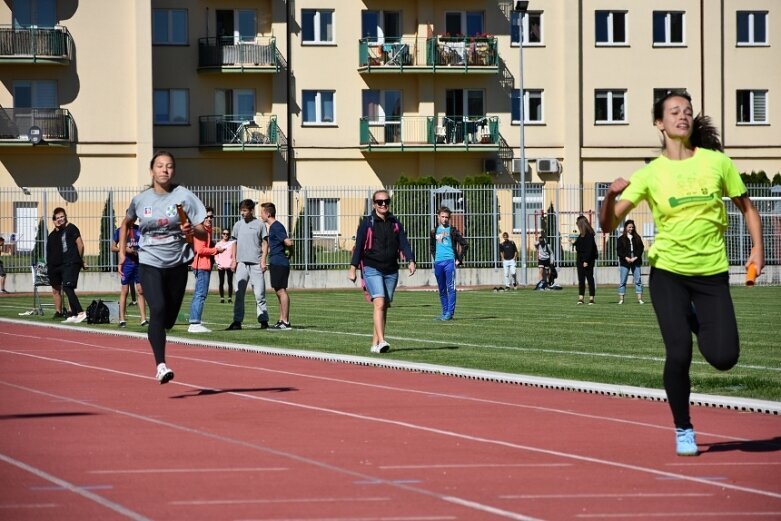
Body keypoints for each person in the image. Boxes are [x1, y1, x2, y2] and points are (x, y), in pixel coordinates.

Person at [599, 91, 764, 456]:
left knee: (724, 357)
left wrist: (758, 247)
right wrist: (609, 197)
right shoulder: (650, 173)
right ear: (659, 122)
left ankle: (693, 316)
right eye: (674, 112)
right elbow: (608, 222)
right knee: (679, 353)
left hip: (711, 274)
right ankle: (684, 428)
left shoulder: (717, 164)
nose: (682, 116)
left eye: (687, 111)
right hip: (669, 273)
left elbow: (749, 209)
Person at [118, 150, 207, 384]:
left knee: (167, 319)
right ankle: (160, 365)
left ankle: (162, 329)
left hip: (177, 264)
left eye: (168, 166)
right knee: (156, 309)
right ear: (152, 170)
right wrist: (121, 253)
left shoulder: (184, 196)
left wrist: (191, 230)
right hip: (149, 262)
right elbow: (125, 223)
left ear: (173, 170)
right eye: (159, 166)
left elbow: (202, 230)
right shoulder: (141, 200)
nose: (164, 170)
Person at [348, 190, 416, 353]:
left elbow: (404, 242)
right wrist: (353, 268)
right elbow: (358, 247)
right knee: (379, 302)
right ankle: (383, 341)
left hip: (391, 269)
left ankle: (375, 343)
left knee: (384, 305)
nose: (383, 204)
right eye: (380, 202)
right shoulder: (367, 223)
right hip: (372, 267)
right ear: (374, 204)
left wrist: (411, 259)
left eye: (386, 201)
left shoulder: (395, 223)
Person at [226, 199, 269, 331]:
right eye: (241, 210)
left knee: (260, 294)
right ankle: (237, 321)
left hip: (256, 264)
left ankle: (263, 320)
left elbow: (265, 243)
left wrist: (263, 260)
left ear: (251, 210)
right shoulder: (238, 225)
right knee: (239, 294)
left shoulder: (260, 225)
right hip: (241, 265)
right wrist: (233, 260)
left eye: (245, 210)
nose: (242, 213)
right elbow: (234, 243)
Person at [46, 208, 87, 322]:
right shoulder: (60, 231)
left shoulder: (71, 228)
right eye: (58, 218)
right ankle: (73, 314)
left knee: (68, 287)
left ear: (65, 216)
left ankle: (80, 312)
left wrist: (79, 259)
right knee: (67, 288)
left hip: (72, 263)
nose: (60, 219)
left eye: (61, 217)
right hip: (65, 263)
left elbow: (81, 245)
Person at [187, 207, 224, 333]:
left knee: (200, 293)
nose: (209, 219)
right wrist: (216, 250)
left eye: (211, 217)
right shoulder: (201, 231)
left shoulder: (207, 230)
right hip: (201, 265)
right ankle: (194, 322)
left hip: (204, 265)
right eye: (206, 217)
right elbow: (200, 249)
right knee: (200, 294)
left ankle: (195, 320)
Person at [429, 206, 468, 320]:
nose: (445, 219)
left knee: (451, 288)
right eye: (442, 217)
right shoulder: (434, 231)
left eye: (447, 217)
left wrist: (459, 259)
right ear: (438, 217)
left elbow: (465, 244)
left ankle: (450, 313)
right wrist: (435, 257)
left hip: (449, 262)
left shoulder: (452, 231)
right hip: (438, 263)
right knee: (441, 289)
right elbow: (432, 246)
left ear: (449, 218)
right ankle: (444, 312)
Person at [261, 202, 294, 330]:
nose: (261, 215)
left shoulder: (276, 226)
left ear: (268, 213)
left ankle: (285, 321)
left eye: (262, 212)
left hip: (280, 262)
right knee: (278, 291)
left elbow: (288, 242)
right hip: (276, 262)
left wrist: (289, 253)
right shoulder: (272, 227)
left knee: (281, 291)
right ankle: (281, 320)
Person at [111, 221, 148, 327]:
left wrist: (140, 251)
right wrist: (124, 249)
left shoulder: (139, 229)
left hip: (138, 263)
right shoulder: (120, 230)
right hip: (126, 264)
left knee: (140, 290)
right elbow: (113, 247)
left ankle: (143, 319)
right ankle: (122, 320)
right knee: (125, 291)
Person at [616, 219, 645, 304]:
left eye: (632, 227)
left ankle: (639, 299)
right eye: (629, 227)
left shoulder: (637, 237)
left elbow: (641, 248)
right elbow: (619, 251)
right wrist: (626, 258)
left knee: (638, 280)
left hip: (636, 261)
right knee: (623, 281)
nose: (631, 228)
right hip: (625, 262)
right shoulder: (621, 239)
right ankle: (621, 299)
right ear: (625, 228)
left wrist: (635, 257)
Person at [574, 215, 597, 305]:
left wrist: (586, 261)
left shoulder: (589, 235)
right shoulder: (581, 235)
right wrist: (574, 243)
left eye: (577, 223)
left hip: (588, 260)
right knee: (581, 279)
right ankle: (581, 297)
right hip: (580, 260)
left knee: (589, 278)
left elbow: (589, 249)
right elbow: (579, 246)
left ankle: (591, 298)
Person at [215, 228, 235, 304]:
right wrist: (218, 263)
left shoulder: (232, 243)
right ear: (222, 234)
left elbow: (234, 254)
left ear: (229, 235)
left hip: (229, 265)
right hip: (221, 266)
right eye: (224, 233)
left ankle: (230, 298)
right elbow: (216, 255)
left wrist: (233, 263)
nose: (225, 235)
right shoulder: (218, 244)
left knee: (230, 282)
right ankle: (222, 298)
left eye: (227, 234)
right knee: (221, 282)